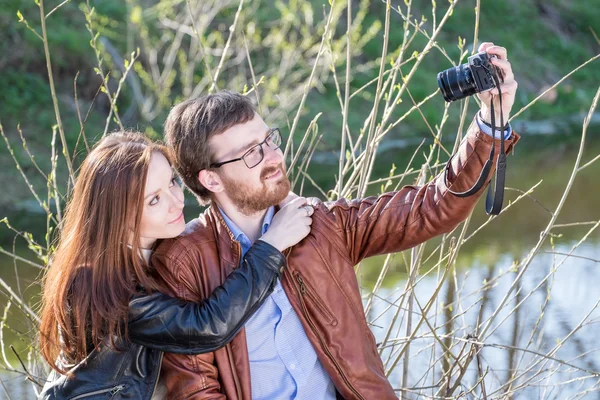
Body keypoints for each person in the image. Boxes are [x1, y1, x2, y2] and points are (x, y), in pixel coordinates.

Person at [151, 42, 520, 399]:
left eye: (269, 141)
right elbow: (194, 389)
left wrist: (491, 120)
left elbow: (433, 207)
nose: (272, 158)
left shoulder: (320, 225)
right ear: (210, 179)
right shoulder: (183, 263)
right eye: (250, 154)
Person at [37, 131, 314, 399]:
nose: (176, 201)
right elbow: (205, 326)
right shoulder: (98, 282)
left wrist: (272, 203)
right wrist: (272, 244)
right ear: (118, 215)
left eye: (172, 182)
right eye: (154, 200)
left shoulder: (154, 251)